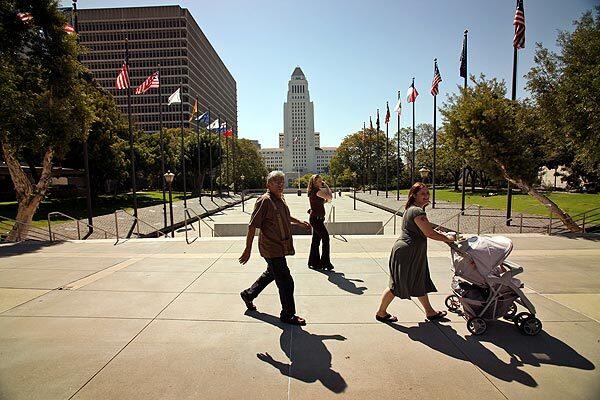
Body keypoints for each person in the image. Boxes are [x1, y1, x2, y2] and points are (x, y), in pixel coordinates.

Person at [375, 182, 456, 322]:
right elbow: (429, 233)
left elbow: (426, 229)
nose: (426, 196)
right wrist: (448, 238)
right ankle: (381, 313)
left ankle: (429, 312)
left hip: (412, 251)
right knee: (397, 284)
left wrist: (441, 234)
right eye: (422, 194)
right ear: (414, 195)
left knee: (419, 280)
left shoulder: (412, 209)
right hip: (408, 252)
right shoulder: (417, 211)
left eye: (427, 193)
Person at [239, 171, 311, 325]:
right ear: (268, 185)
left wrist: (299, 222)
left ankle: (249, 294)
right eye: (276, 182)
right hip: (271, 248)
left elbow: (285, 216)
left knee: (271, 273)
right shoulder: (264, 201)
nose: (280, 185)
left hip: (279, 246)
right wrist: (247, 249)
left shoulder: (279, 199)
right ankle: (288, 314)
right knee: (286, 281)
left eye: (282, 182)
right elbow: (252, 226)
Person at [306, 174, 334, 270]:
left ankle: (313, 262)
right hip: (316, 219)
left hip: (317, 219)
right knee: (326, 239)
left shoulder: (314, 192)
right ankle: (325, 263)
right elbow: (330, 197)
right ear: (314, 182)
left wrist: (325, 200)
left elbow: (321, 202)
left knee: (316, 241)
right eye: (318, 181)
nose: (320, 182)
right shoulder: (317, 191)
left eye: (321, 181)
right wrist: (326, 185)